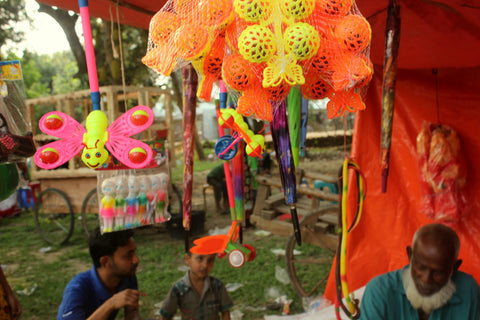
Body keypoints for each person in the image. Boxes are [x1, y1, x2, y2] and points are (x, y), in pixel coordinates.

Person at [359, 223, 480, 320]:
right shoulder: (380, 292)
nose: (426, 279)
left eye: (438, 273)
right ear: (410, 256)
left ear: (454, 268)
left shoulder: (469, 291)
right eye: (421, 267)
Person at [57, 228, 145, 320]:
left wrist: (133, 312)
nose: (136, 260)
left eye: (135, 252)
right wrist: (110, 304)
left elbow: (131, 313)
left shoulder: (127, 276)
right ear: (105, 262)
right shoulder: (77, 289)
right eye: (128, 255)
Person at [160, 252, 233, 320]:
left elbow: (226, 313)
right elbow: (166, 315)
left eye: (210, 260)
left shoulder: (218, 286)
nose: (205, 265)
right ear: (188, 259)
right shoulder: (178, 289)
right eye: (200, 258)